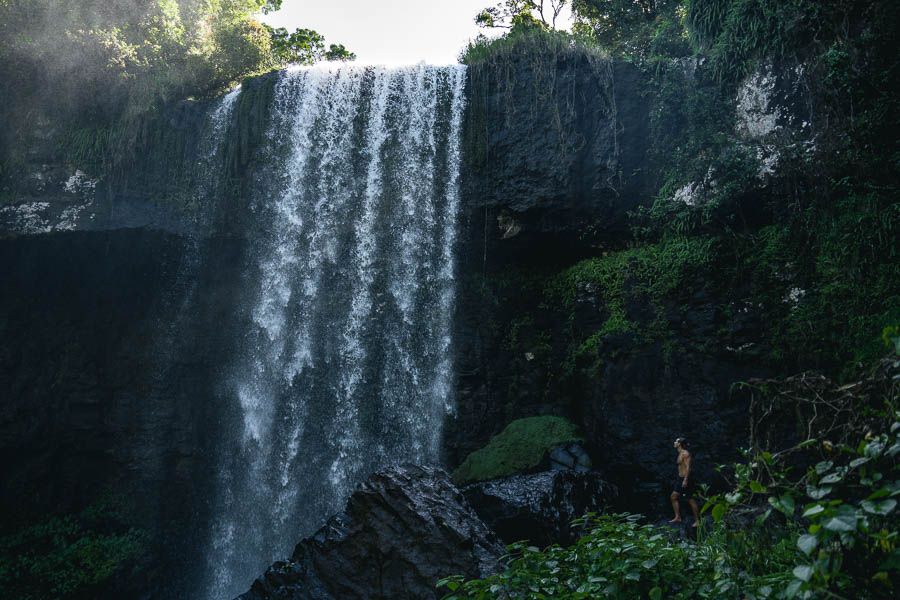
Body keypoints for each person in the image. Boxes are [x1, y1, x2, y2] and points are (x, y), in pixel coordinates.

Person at [669, 437, 700, 527]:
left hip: (686, 479)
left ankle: (698, 521)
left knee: (690, 499)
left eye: (676, 441)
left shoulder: (685, 453)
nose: (674, 442)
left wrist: (685, 480)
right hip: (680, 479)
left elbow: (688, 467)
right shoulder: (680, 453)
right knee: (673, 497)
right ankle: (678, 517)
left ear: (679, 444)